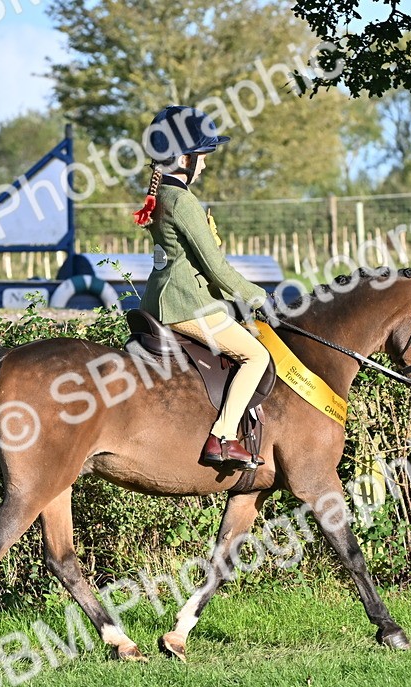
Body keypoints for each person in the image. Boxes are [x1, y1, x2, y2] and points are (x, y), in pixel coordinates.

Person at [134, 105, 271, 469]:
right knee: (257, 355)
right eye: (202, 156)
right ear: (182, 158)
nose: (205, 165)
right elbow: (216, 268)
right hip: (187, 305)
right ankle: (223, 437)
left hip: (157, 298)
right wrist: (260, 297)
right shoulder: (182, 201)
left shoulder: (159, 194)